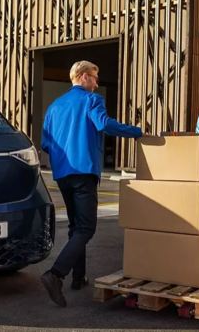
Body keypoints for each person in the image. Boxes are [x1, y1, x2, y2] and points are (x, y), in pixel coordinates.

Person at [39, 60, 142, 307]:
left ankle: (79, 277)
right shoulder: (91, 100)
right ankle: (55, 275)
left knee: (77, 227)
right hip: (84, 171)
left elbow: (45, 143)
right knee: (86, 228)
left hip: (63, 173)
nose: (97, 83)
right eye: (95, 78)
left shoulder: (54, 107)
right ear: (84, 77)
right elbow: (104, 124)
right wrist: (136, 132)